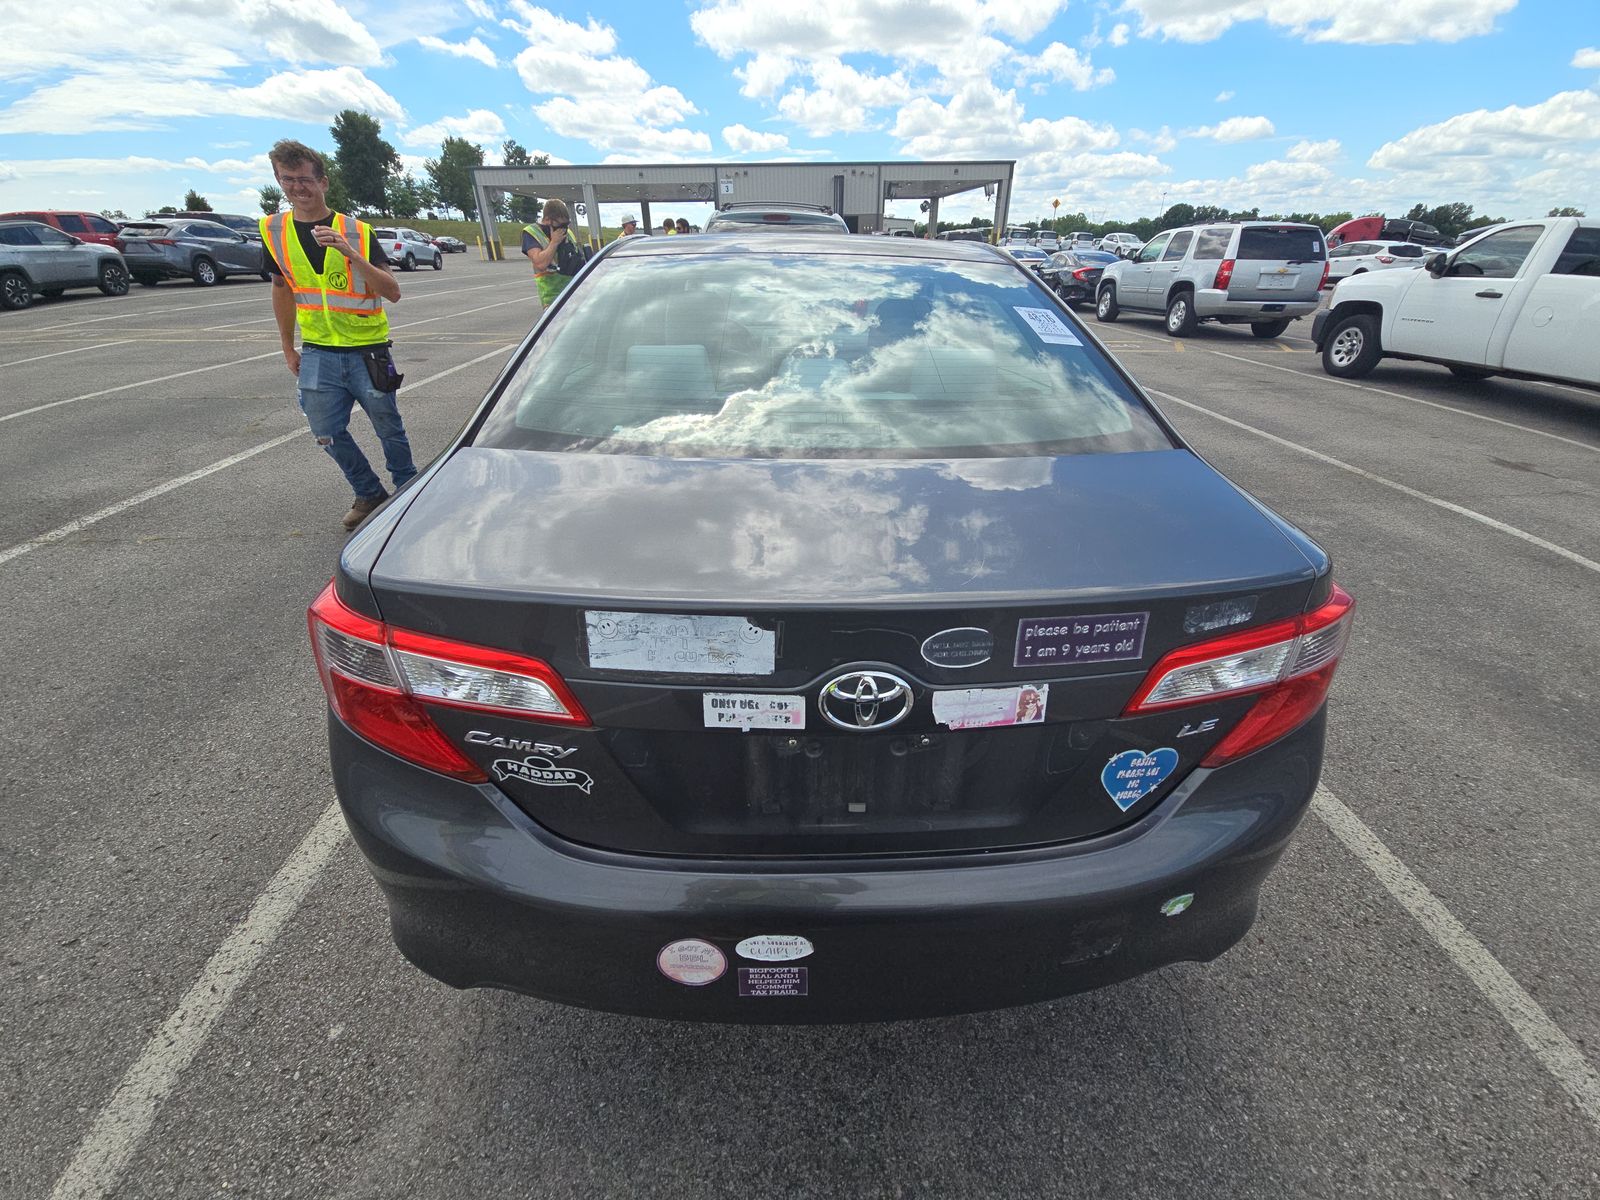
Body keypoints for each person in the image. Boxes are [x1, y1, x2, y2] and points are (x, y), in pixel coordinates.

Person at [261, 138, 412, 532]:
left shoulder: (357, 231)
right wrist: (286, 345)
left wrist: (351, 253)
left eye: (305, 179)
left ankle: (409, 492)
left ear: (323, 182)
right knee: (325, 431)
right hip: (318, 352)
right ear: (279, 181)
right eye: (288, 180)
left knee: (388, 427)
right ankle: (367, 492)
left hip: (368, 350)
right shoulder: (273, 231)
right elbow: (282, 288)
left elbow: (391, 291)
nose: (298, 188)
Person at [523, 198, 581, 307]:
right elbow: (540, 264)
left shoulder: (567, 232)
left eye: (566, 224)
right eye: (561, 224)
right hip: (552, 298)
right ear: (548, 220)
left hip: (574, 293)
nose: (564, 228)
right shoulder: (532, 233)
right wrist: (554, 242)